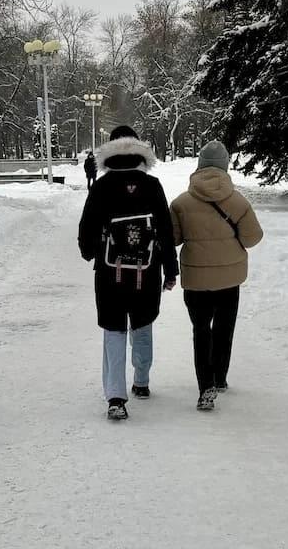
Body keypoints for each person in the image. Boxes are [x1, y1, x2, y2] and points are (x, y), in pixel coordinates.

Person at [77, 125, 178, 421]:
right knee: (143, 324)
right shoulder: (152, 184)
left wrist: (92, 251)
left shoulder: (102, 186)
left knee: (114, 330)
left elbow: (87, 229)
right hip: (146, 271)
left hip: (110, 273)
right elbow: (166, 230)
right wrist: (170, 270)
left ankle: (115, 398)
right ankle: (142, 381)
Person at [170, 140, 263, 412]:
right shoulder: (238, 201)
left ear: (199, 165)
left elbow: (173, 239)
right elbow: (253, 237)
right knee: (224, 328)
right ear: (225, 166)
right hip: (229, 278)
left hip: (196, 280)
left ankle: (205, 387)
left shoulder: (180, 203)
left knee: (201, 330)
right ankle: (220, 376)